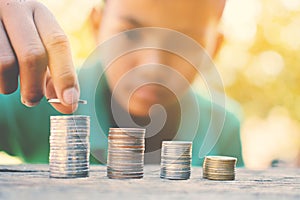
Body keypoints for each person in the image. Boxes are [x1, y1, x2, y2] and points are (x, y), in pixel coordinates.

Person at [0, 0, 244, 166]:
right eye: (131, 33)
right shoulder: (34, 95)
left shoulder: (224, 128)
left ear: (216, 46)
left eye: (183, 42)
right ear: (96, 25)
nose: (153, 66)